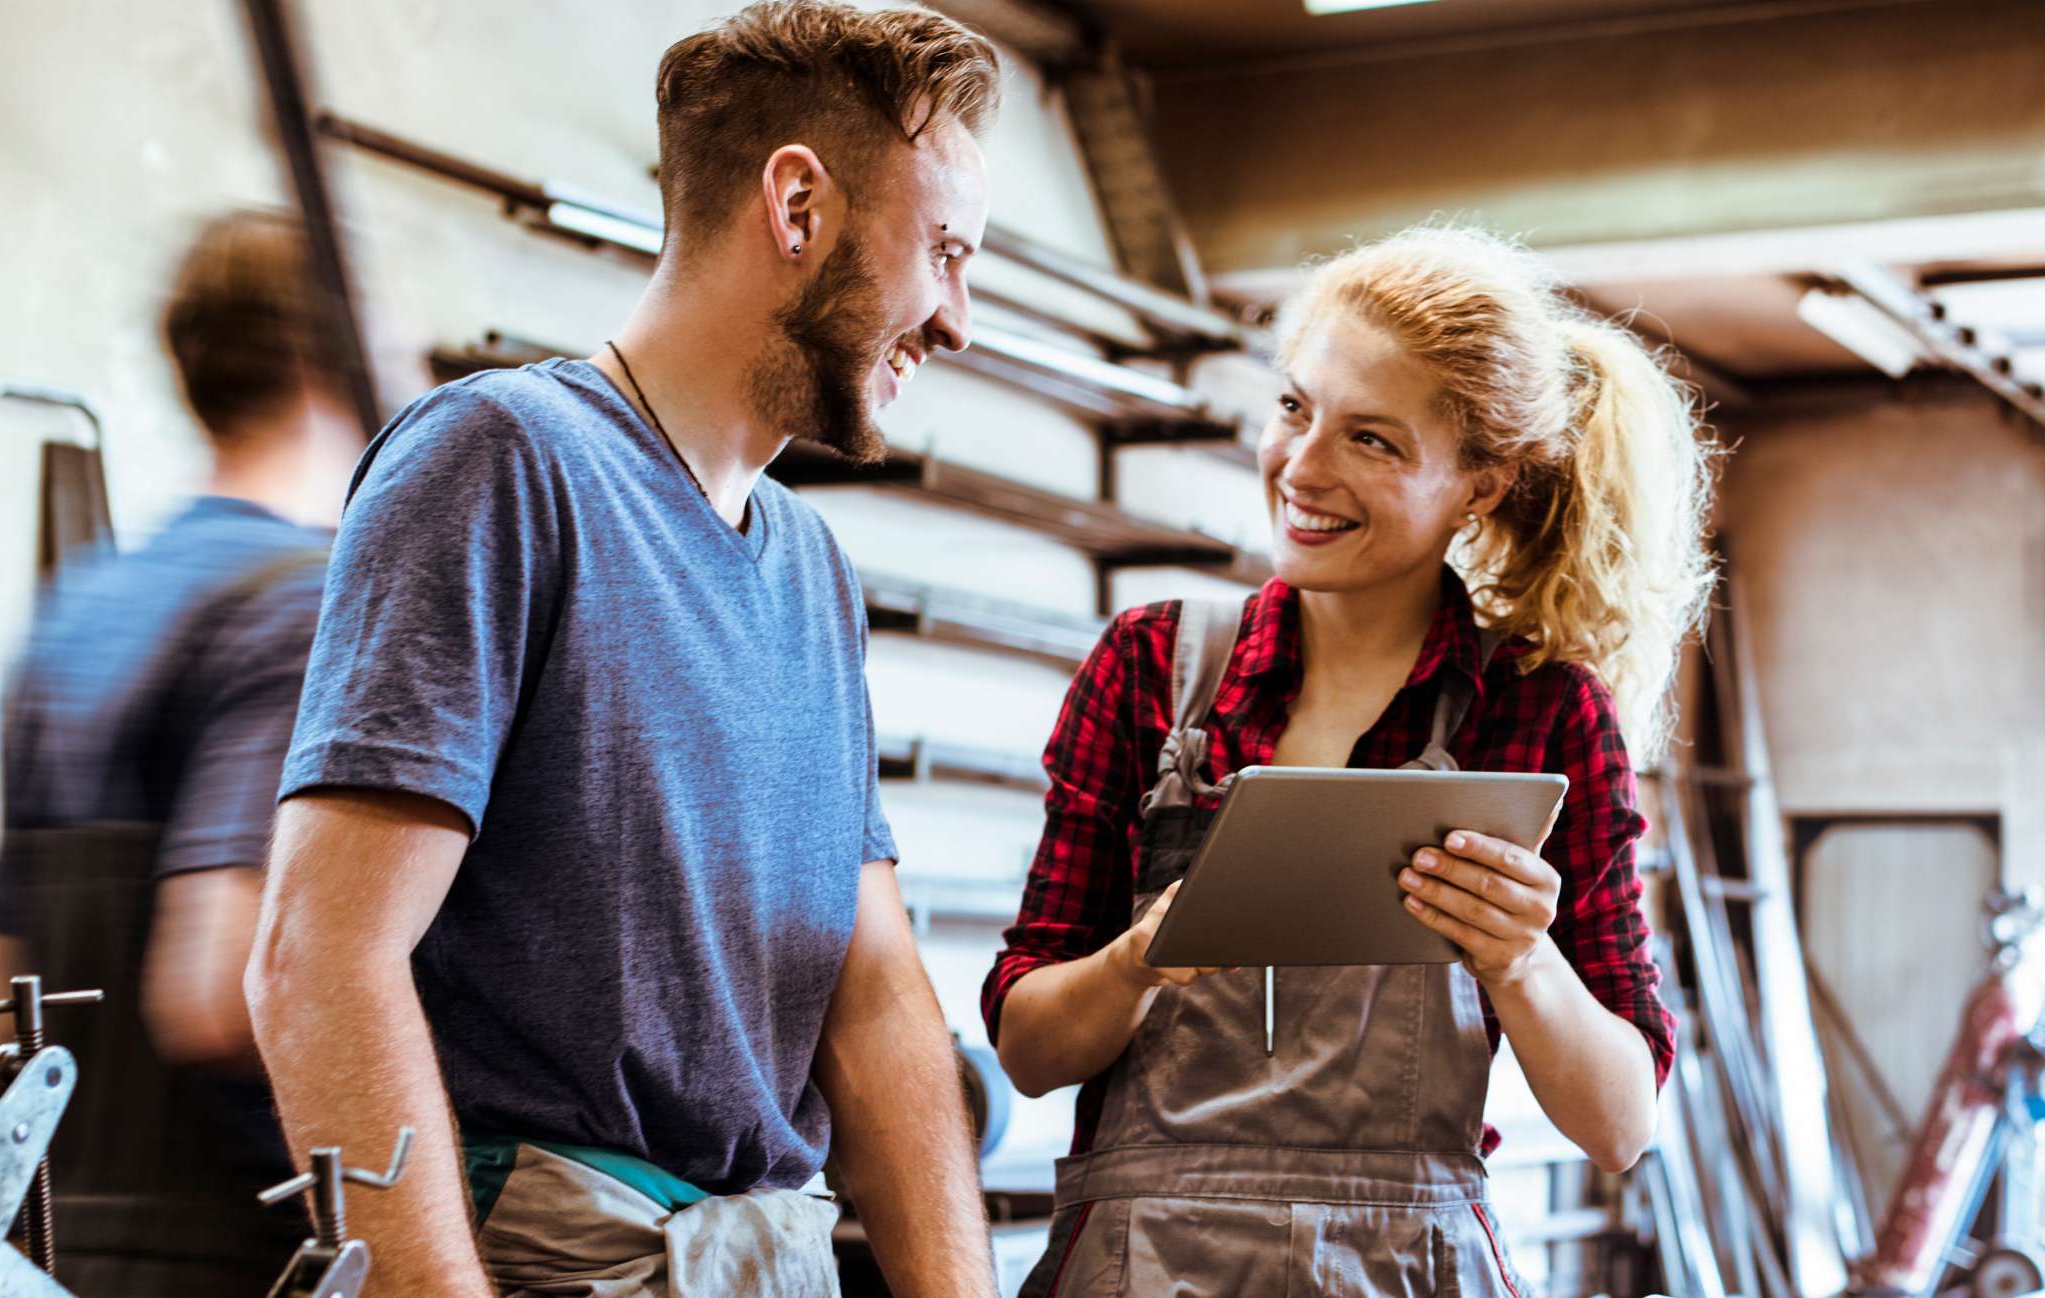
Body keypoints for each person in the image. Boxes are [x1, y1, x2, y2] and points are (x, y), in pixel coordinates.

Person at [245, 5, 999, 1295]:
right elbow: (319, 959)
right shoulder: (503, 462)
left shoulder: (811, 572)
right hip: (555, 1257)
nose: (957, 319)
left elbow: (873, 1002)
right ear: (799, 205)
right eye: (942, 253)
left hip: (766, 1254)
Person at [985, 224, 1702, 1295]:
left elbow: (1617, 1124)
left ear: (1481, 485)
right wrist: (1139, 958)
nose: (1302, 466)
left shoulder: (1543, 715)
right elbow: (1030, 1049)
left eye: (1372, 439)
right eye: (1293, 407)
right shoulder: (1150, 669)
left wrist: (1520, 958)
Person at [0, 209, 365, 1296]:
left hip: (51, 1236)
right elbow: (216, 987)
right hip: (232, 1244)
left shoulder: (83, 599)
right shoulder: (305, 604)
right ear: (338, 356)